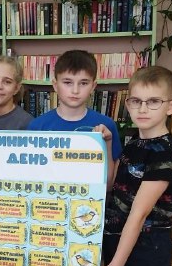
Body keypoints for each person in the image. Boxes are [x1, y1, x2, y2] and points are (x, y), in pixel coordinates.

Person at [94, 66, 172, 266]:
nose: (142, 109)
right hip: (119, 238)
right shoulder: (135, 142)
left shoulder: (164, 153)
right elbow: (112, 184)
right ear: (128, 104)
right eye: (136, 101)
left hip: (147, 246)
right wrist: (107, 143)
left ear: (171, 106)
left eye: (153, 101)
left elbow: (139, 214)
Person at [27, 50, 121, 185]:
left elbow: (108, 184)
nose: (75, 90)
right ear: (55, 85)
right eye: (67, 82)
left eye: (83, 83)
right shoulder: (37, 126)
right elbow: (31, 177)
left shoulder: (106, 126)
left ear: (93, 86)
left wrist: (107, 142)